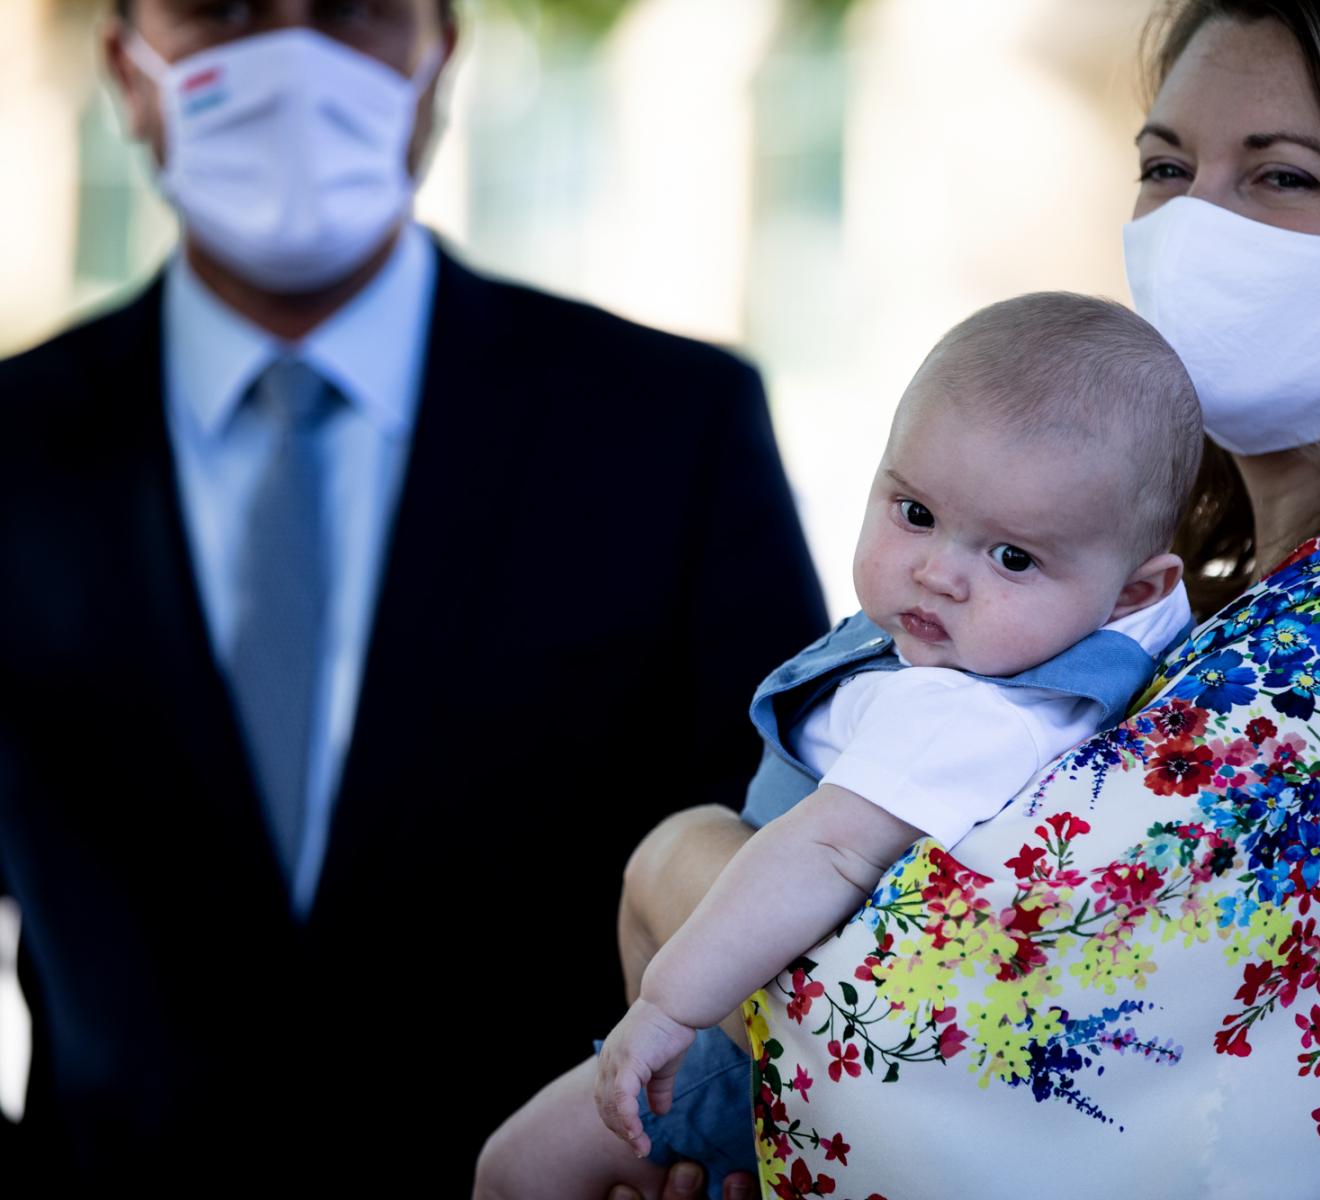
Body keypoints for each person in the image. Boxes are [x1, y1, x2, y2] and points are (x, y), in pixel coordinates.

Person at [480, 0, 1320, 1196]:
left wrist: (680, 863)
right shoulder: (1264, 605)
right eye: (1164, 167)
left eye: (1279, 176)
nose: (1193, 226)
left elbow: (958, 1037)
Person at [0, 0, 826, 1194]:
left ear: (440, 58)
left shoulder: (668, 431)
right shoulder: (16, 453)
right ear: (126, 70)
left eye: (352, 8)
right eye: (219, 9)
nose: (292, 57)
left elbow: (774, 852)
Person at [484, 293, 1201, 1198]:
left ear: (1137, 593)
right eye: (914, 512)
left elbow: (824, 848)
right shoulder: (1003, 646)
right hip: (734, 993)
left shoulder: (977, 711)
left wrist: (668, 1004)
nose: (939, 571)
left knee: (513, 1172)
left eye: (1013, 558)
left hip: (729, 1035)